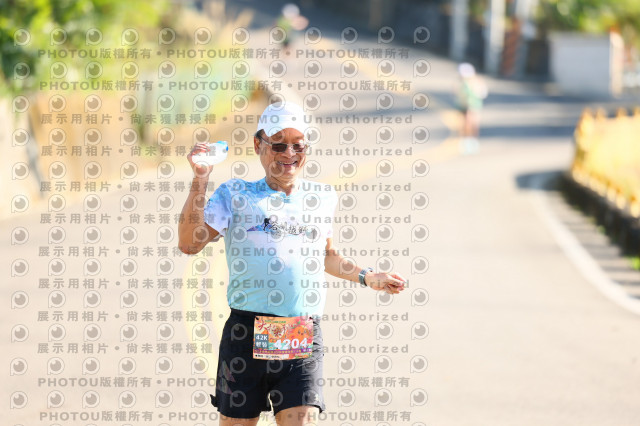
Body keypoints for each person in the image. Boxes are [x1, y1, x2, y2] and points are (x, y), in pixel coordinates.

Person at [178, 101, 407, 426]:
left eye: (298, 145)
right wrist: (201, 178)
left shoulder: (322, 197)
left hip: (301, 334)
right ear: (258, 145)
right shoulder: (235, 195)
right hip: (246, 334)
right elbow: (189, 242)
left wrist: (368, 276)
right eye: (278, 144)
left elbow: (326, 255)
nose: (289, 153)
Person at [456, 62, 488, 154]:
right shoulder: (462, 82)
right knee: (463, 124)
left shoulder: (476, 81)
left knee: (472, 123)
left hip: (473, 105)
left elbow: (482, 93)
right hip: (463, 105)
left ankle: (472, 141)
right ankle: (465, 141)